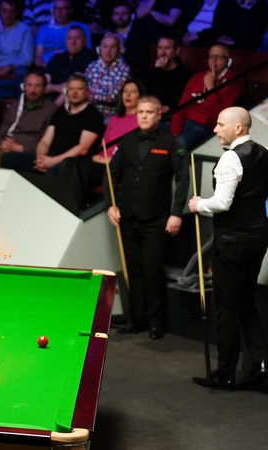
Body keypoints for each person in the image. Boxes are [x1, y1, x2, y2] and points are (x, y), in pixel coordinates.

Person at [189, 107, 268, 391]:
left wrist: (198, 204)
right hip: (258, 239)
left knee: (227, 308)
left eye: (220, 124)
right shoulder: (263, 153)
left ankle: (225, 374)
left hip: (232, 243)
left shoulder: (230, 158)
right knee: (246, 301)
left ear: (238, 128)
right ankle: (261, 363)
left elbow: (222, 204)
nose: (215, 129)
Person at [104, 95, 189, 340]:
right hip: (128, 218)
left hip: (156, 219)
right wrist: (111, 205)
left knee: (153, 270)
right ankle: (135, 319)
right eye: (140, 111)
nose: (143, 115)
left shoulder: (171, 143)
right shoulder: (128, 141)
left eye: (149, 112)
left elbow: (183, 179)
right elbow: (111, 174)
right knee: (134, 271)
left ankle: (155, 323)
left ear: (159, 114)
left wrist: (176, 213)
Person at [0, 69, 57, 167]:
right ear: (24, 87)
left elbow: (48, 142)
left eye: (37, 86)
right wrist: (2, 144)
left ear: (44, 88)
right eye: (29, 85)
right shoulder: (15, 106)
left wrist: (21, 148)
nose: (33, 90)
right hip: (4, 150)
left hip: (26, 155)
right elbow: (0, 134)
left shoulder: (51, 110)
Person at [170, 44, 241, 151]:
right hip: (187, 122)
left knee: (181, 142)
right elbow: (182, 108)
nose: (214, 60)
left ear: (227, 61)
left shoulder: (233, 84)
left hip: (206, 129)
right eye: (211, 56)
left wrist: (211, 88)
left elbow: (219, 117)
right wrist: (174, 132)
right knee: (152, 131)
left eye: (219, 57)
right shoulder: (197, 78)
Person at [44, 26, 96, 105]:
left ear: (85, 41)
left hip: (68, 105)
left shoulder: (91, 58)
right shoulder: (57, 58)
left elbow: (72, 87)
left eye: (77, 38)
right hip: (47, 103)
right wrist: (57, 87)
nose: (73, 42)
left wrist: (52, 110)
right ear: (65, 41)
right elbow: (43, 86)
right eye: (69, 38)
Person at [141, 35, 192, 115]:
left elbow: (164, 100)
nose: (162, 52)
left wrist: (158, 70)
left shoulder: (184, 74)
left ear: (177, 50)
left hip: (167, 118)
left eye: (167, 48)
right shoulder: (150, 71)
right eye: (160, 48)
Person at [85, 33, 131, 120]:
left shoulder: (124, 69)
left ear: (118, 50)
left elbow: (112, 97)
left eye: (113, 47)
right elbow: (84, 92)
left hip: (112, 116)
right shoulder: (92, 66)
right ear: (100, 49)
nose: (108, 50)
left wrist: (92, 93)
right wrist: (103, 92)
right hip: (90, 113)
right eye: (105, 46)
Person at [190, 0, 268, 51]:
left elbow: (257, 30)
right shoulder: (230, 5)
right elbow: (222, 25)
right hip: (223, 42)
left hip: (247, 46)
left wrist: (235, 41)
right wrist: (224, 36)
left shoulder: (263, 7)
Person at [33, 0, 92, 67]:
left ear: (70, 10)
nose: (59, 12)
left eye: (63, 9)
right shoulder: (43, 29)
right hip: (45, 67)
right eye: (57, 9)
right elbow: (38, 56)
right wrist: (47, 67)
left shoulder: (82, 28)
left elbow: (87, 54)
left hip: (71, 67)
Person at [109, 1, 148, 73]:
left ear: (131, 15)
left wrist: (123, 50)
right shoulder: (109, 35)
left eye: (124, 13)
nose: (120, 17)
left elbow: (141, 62)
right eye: (117, 14)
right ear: (112, 17)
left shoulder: (139, 35)